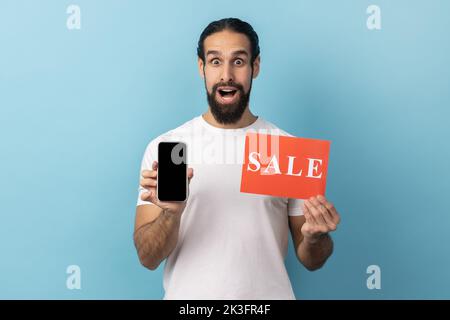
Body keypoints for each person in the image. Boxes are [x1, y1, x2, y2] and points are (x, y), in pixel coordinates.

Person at [133, 18, 341, 300]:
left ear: (255, 67)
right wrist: (171, 214)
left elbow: (311, 259)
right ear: (201, 67)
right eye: (215, 61)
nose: (226, 75)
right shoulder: (169, 149)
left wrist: (317, 236)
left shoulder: (287, 149)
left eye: (239, 61)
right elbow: (148, 258)